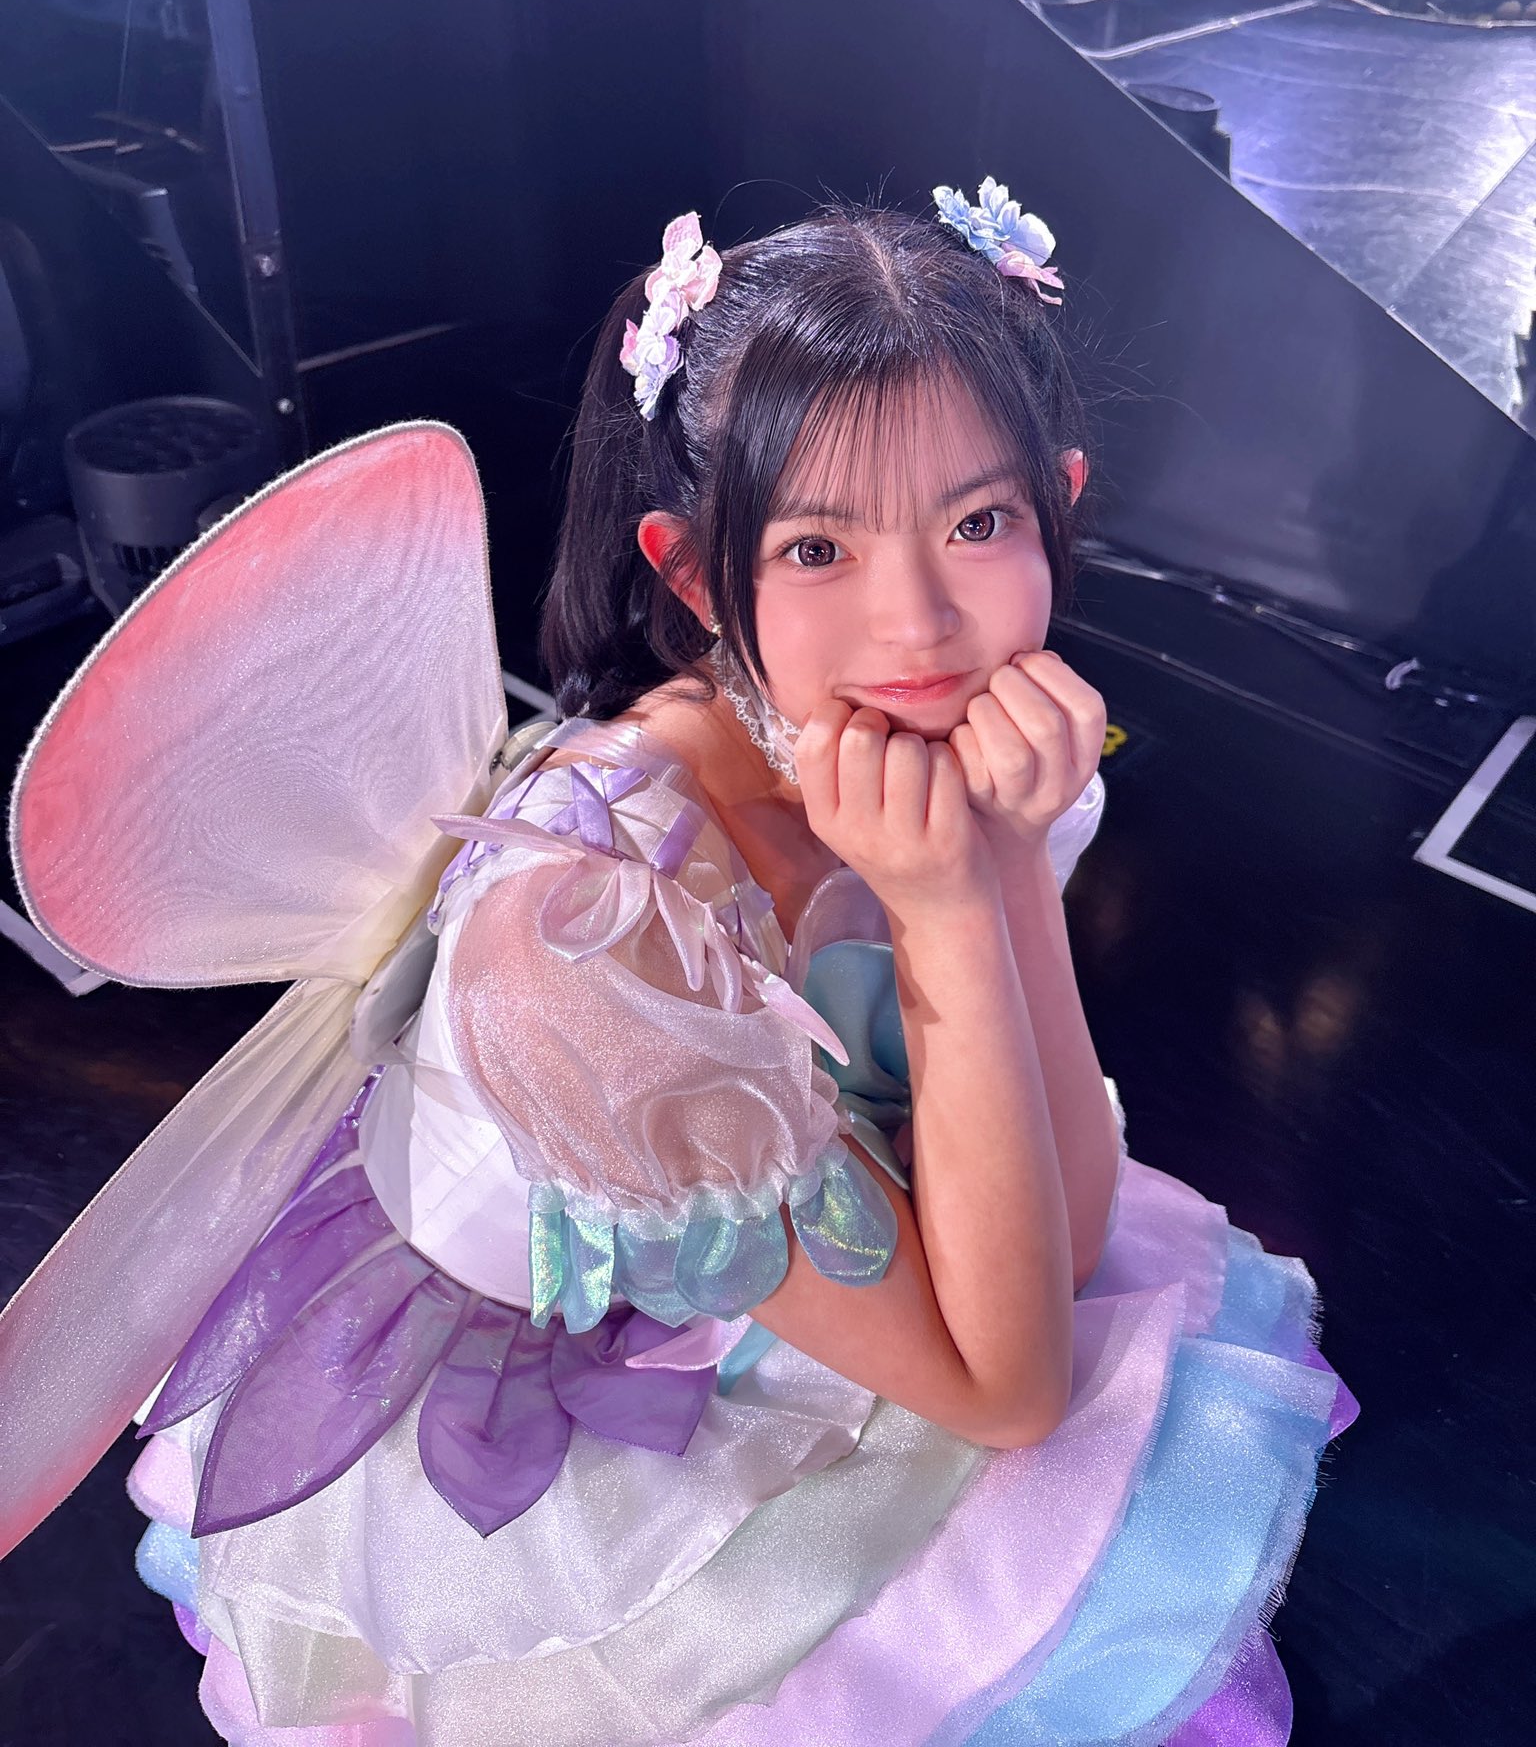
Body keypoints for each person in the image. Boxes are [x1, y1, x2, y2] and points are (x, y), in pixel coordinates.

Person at [2, 183, 1355, 1745]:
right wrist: (945, 909)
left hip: (812, 1228)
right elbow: (1010, 1394)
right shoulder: (596, 943)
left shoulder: (937, 749)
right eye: (819, 546)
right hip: (576, 1396)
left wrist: (994, 881)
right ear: (702, 577)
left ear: (1059, 504)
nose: (919, 621)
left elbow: (1067, 1245)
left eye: (978, 524)